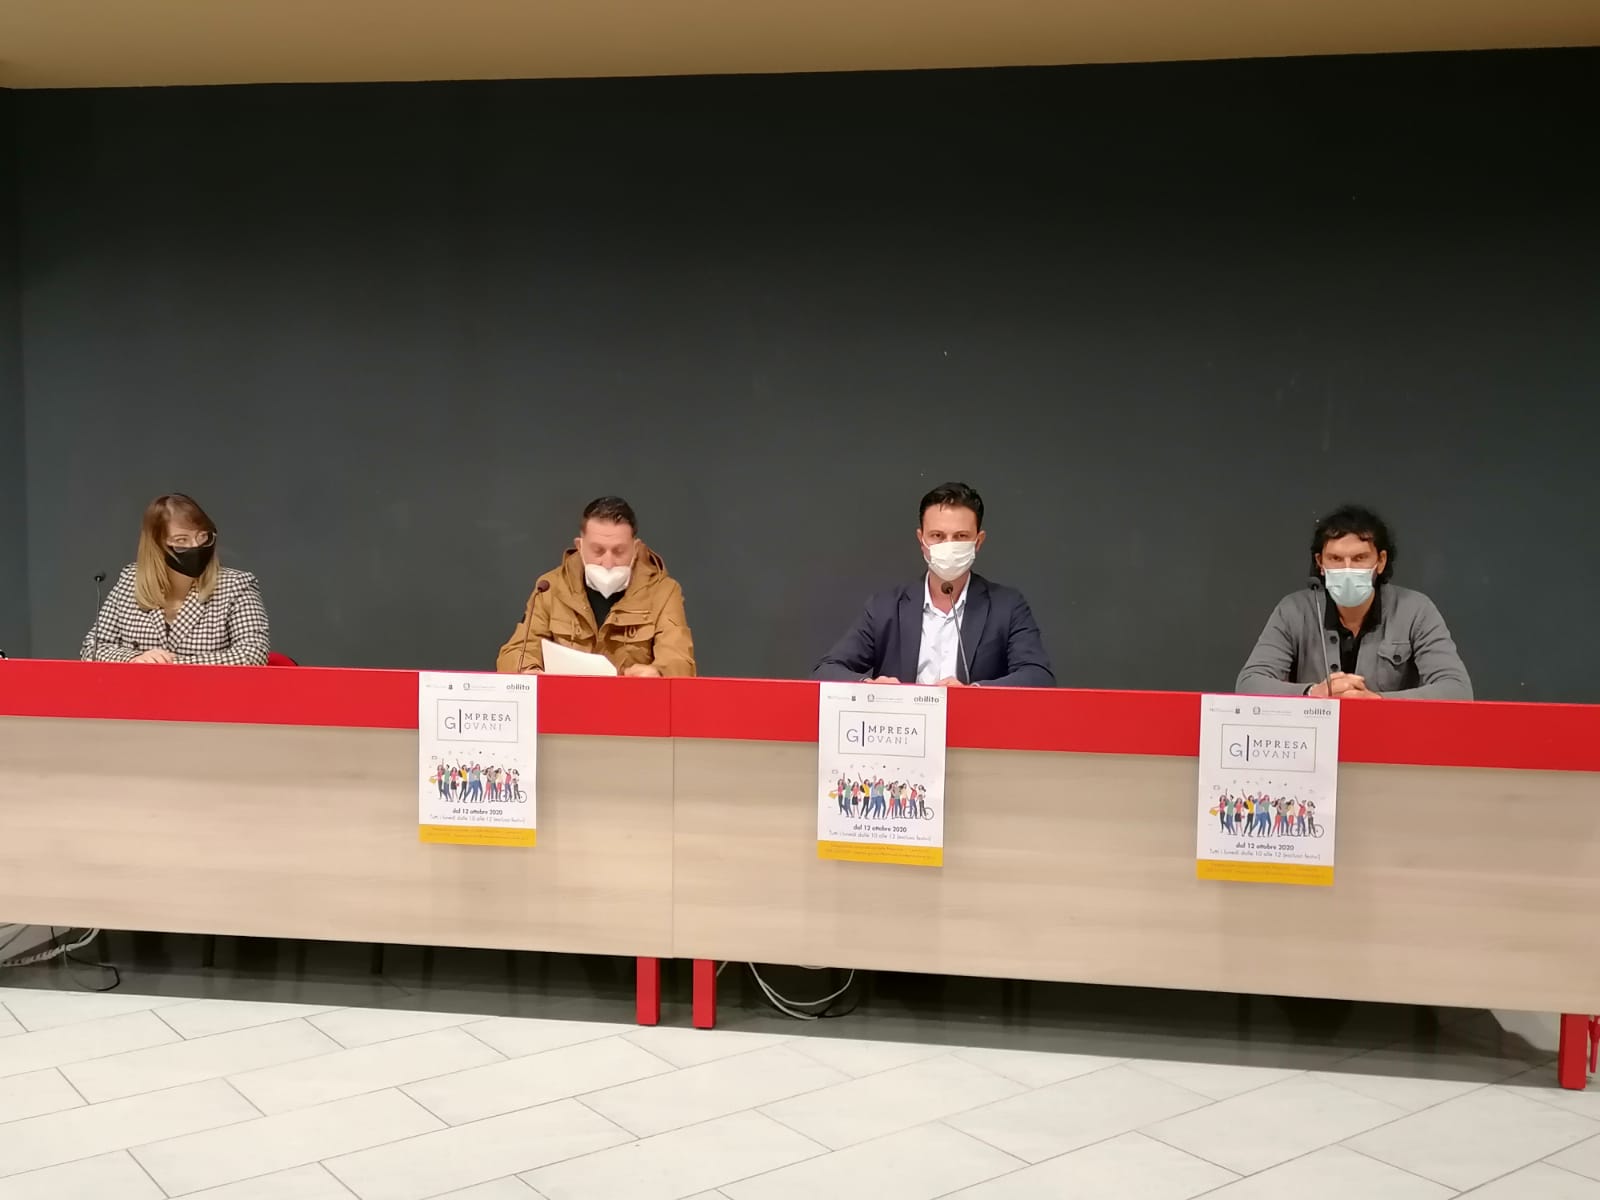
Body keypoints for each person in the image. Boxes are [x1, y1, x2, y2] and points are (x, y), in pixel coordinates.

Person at [812, 482, 1055, 687]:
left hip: (972, 727)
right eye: (937, 536)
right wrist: (870, 686)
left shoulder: (1007, 606)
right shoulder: (885, 607)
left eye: (960, 537)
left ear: (978, 541)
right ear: (922, 540)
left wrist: (975, 693)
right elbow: (827, 669)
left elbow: (1038, 676)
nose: (948, 545)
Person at [1236, 505, 1472, 700]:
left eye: (1359, 558)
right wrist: (1312, 692)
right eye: (1335, 558)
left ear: (1380, 561)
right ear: (1320, 563)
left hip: (1388, 737)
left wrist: (1377, 701)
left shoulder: (1416, 610)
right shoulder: (1293, 610)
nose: (1347, 569)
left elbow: (1457, 690)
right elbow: (1249, 683)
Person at [496, 496, 696, 676]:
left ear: (635, 548)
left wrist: (658, 673)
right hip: (565, 702)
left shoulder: (664, 592)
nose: (608, 563)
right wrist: (529, 671)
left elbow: (679, 660)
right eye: (598, 550)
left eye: (619, 551)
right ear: (580, 546)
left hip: (633, 702)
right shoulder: (549, 588)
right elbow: (516, 651)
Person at [80, 493, 269, 666]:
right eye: (181, 540)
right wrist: (135, 659)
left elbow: (253, 654)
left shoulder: (237, 586)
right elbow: (92, 649)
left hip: (207, 691)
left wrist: (171, 665)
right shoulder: (131, 581)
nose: (195, 546)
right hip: (141, 692)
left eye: (202, 537)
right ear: (156, 545)